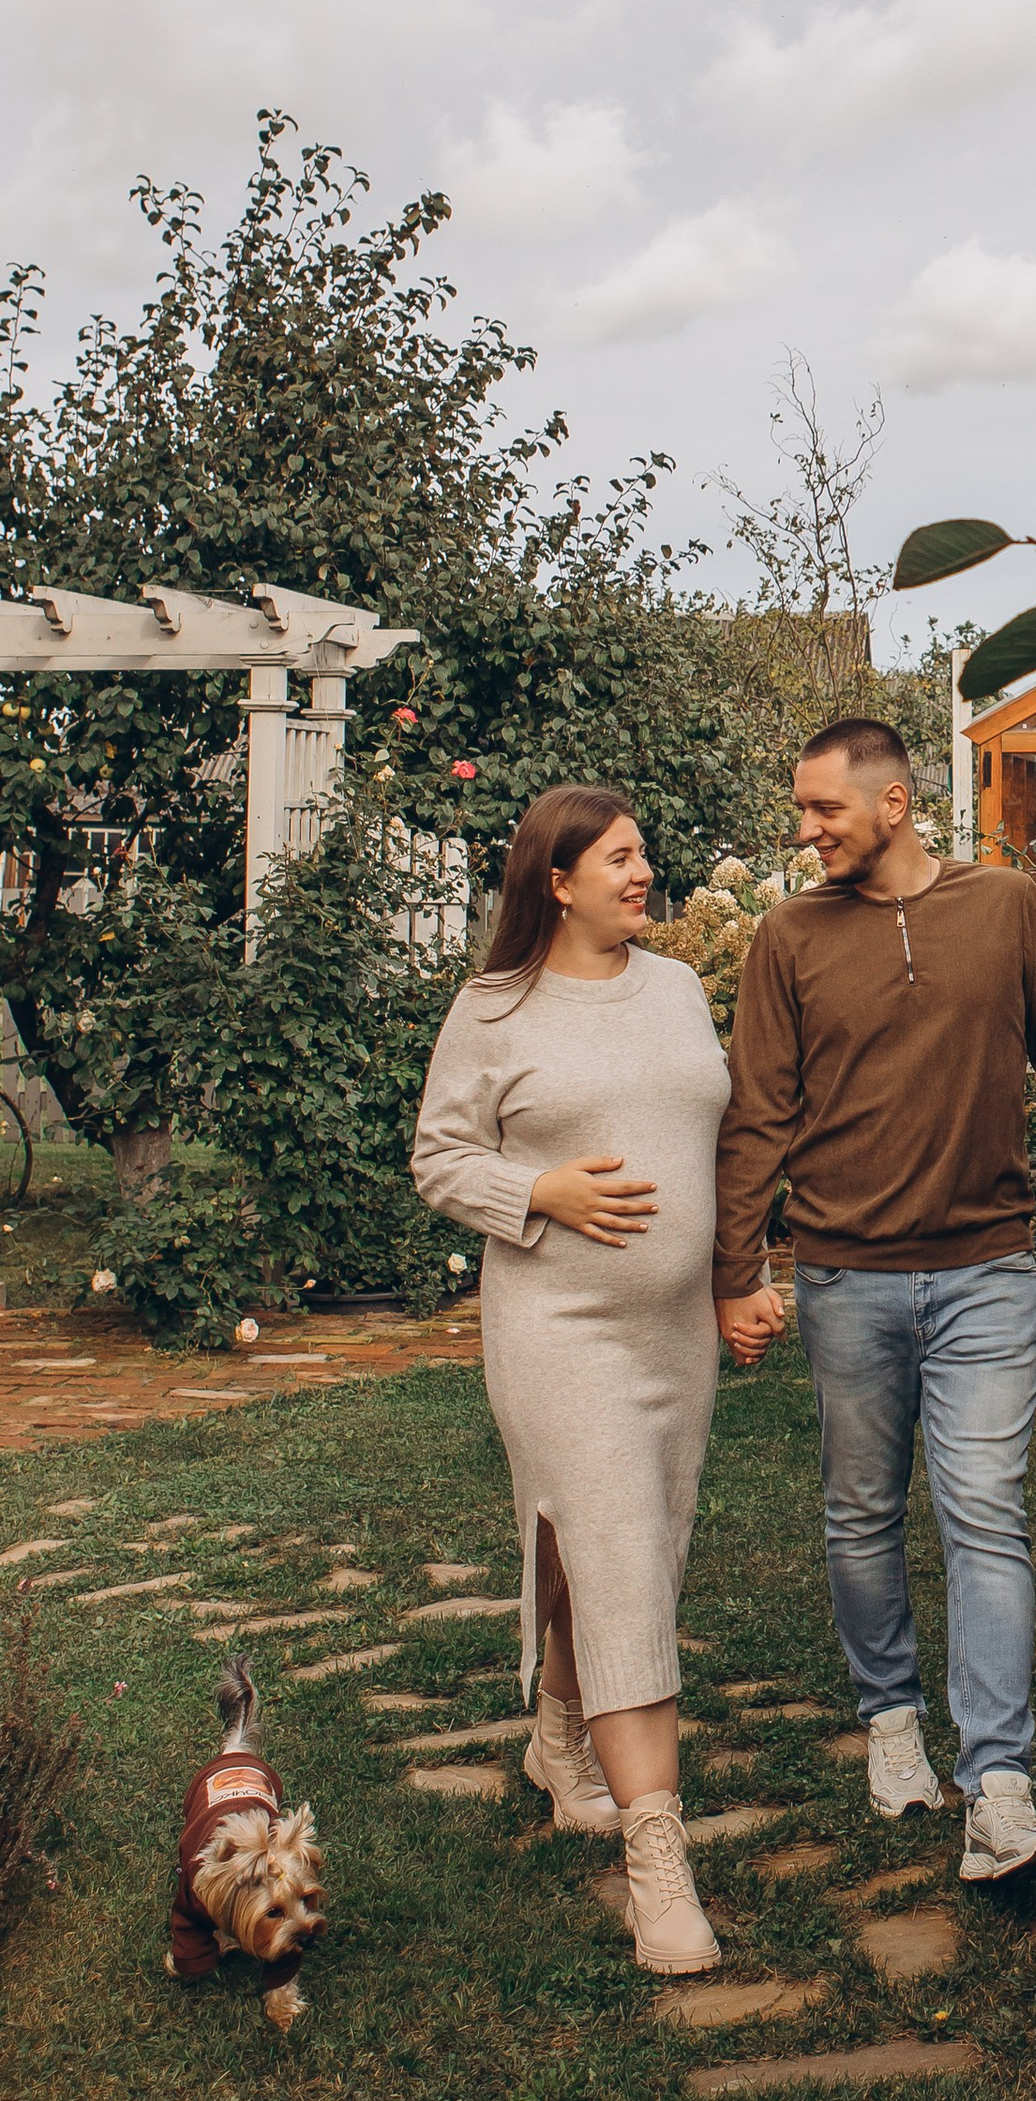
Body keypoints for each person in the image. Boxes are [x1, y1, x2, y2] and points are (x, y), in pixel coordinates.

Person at [713, 715, 1036, 1878]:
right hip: (845, 1275)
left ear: (893, 802)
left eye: (824, 808)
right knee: (861, 1512)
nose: (807, 831)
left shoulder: (1004, 908)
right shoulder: (789, 938)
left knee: (986, 1511)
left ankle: (999, 1787)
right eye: (802, 811)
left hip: (986, 1270)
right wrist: (736, 1270)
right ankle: (891, 1719)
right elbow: (758, 1113)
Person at [410, 782, 735, 1976]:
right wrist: (536, 1191)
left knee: (616, 1548)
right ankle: (659, 1862)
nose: (643, 874)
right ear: (555, 883)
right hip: (558, 1331)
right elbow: (440, 1158)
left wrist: (736, 1274)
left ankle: (558, 1733)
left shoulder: (679, 988)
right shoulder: (494, 1008)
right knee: (622, 1557)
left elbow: (713, 1137)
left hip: (674, 1338)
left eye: (643, 853)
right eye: (619, 858)